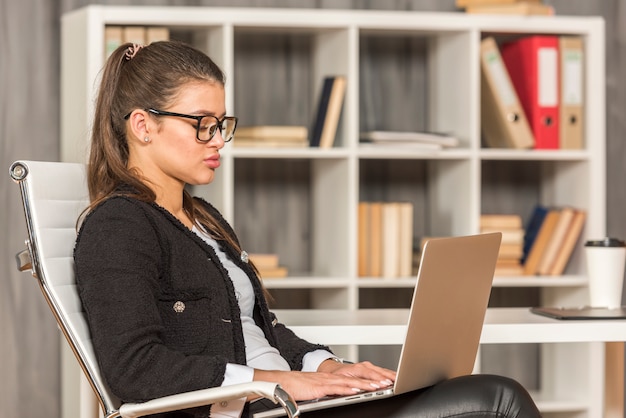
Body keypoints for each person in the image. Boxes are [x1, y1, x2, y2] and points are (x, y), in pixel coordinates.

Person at [74, 40, 542, 418]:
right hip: (257, 408)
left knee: (467, 391)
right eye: (201, 125)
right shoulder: (119, 225)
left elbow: (259, 328)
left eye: (221, 124)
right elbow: (133, 368)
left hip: (290, 400)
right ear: (142, 126)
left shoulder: (204, 220)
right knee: (497, 400)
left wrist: (329, 367)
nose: (217, 140)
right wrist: (279, 382)